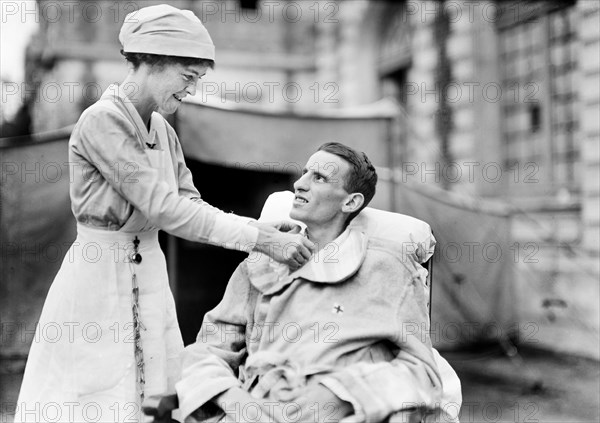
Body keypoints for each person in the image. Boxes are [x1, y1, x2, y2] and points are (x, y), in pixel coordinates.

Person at [14, 4, 313, 423]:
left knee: (152, 395)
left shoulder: (163, 131)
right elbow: (163, 208)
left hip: (149, 273)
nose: (191, 89)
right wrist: (261, 239)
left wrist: (259, 227)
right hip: (100, 276)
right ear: (153, 63)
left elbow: (189, 202)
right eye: (187, 77)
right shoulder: (102, 122)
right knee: (94, 393)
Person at [176, 142, 460, 423]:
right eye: (304, 173)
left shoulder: (387, 268)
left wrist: (338, 396)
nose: (300, 184)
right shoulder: (260, 264)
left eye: (319, 178)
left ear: (350, 202)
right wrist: (235, 401)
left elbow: (423, 370)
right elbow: (208, 350)